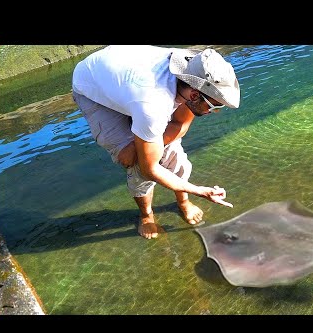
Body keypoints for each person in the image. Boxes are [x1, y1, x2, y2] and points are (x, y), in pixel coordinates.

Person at [72, 45, 240, 239]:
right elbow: (149, 170)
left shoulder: (191, 72)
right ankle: (146, 215)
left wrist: (151, 144)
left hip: (125, 78)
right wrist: (200, 191)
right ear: (194, 95)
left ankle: (183, 202)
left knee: (171, 153)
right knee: (132, 161)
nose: (215, 111)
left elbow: (179, 125)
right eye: (214, 106)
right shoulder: (153, 105)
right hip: (92, 87)